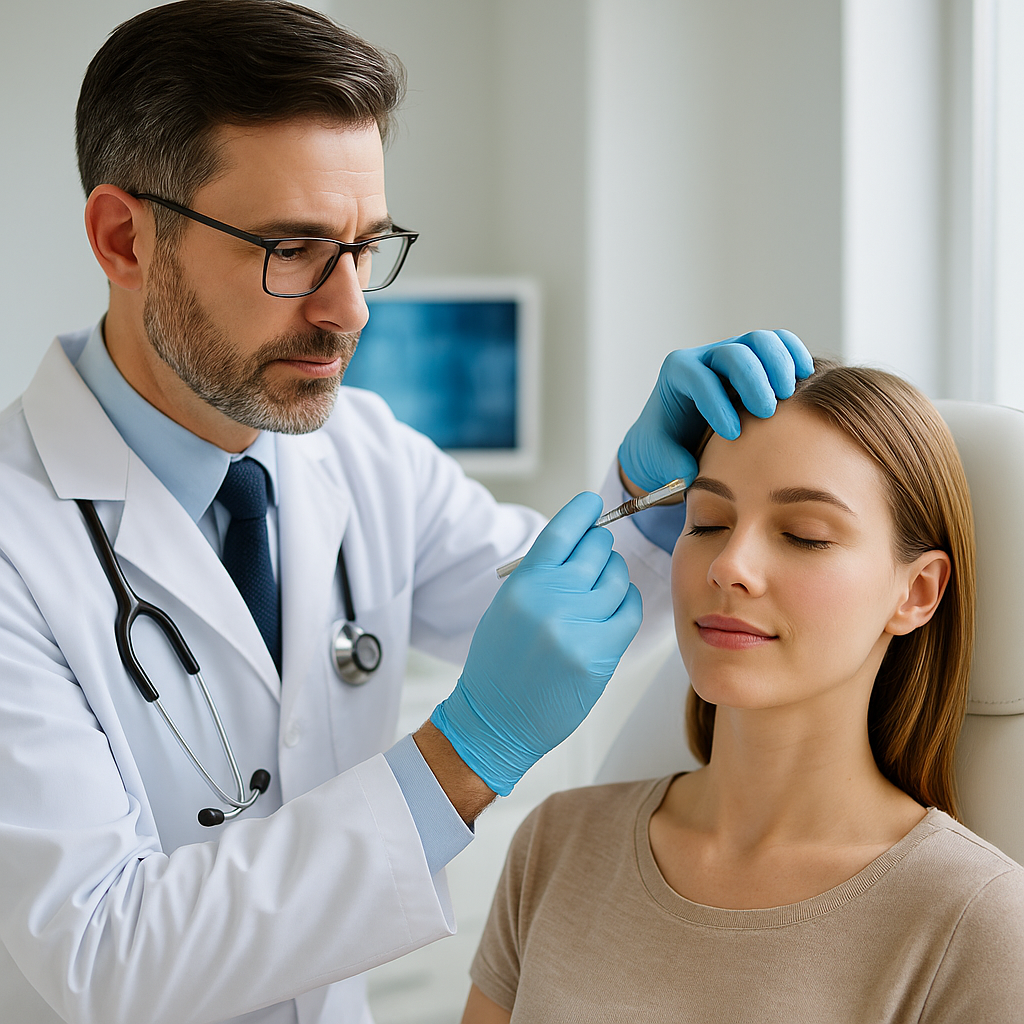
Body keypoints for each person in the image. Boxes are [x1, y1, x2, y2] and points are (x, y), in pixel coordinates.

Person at [0, 3, 814, 1022]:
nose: (350, 311)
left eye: (366, 245)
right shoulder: (14, 543)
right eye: (292, 249)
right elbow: (101, 956)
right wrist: (461, 757)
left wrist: (648, 511)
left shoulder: (361, 449)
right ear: (124, 237)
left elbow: (548, 617)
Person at [462, 361, 1024, 1023]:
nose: (730, 565)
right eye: (706, 523)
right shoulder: (557, 845)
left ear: (917, 592)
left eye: (804, 535)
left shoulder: (977, 920)